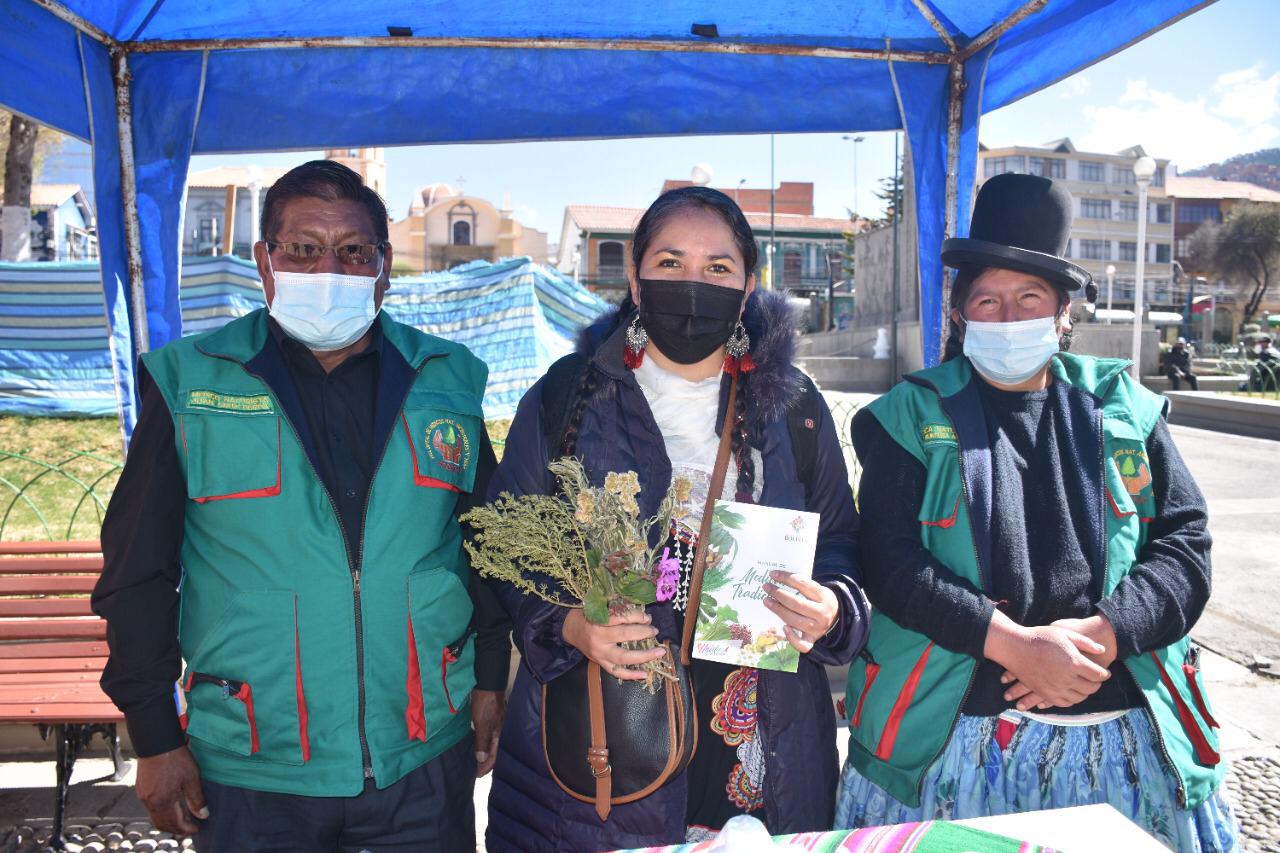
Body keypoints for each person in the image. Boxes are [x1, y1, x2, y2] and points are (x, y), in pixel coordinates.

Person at [92, 160, 511, 851]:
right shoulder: (190, 384)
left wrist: (491, 678)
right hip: (253, 768)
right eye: (303, 249)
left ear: (383, 267)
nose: (329, 269)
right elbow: (137, 574)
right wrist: (155, 734)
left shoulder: (446, 382)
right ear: (265, 260)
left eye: (354, 251)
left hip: (420, 755)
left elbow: (487, 548)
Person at [836, 174, 1239, 852]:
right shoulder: (911, 415)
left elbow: (1184, 544)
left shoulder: (1123, 406)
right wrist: (1014, 644)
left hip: (1125, 747)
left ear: (1062, 314)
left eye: (1028, 299)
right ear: (960, 312)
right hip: (950, 745)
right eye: (987, 300)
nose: (1006, 317)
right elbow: (891, 559)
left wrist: (1105, 635)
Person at [483, 186, 868, 850]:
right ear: (634, 277)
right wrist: (571, 623)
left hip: (762, 755)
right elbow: (508, 547)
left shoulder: (795, 407)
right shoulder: (567, 395)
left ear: (749, 285)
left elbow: (840, 543)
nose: (694, 284)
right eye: (669, 262)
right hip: (601, 750)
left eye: (718, 268)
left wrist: (832, 606)